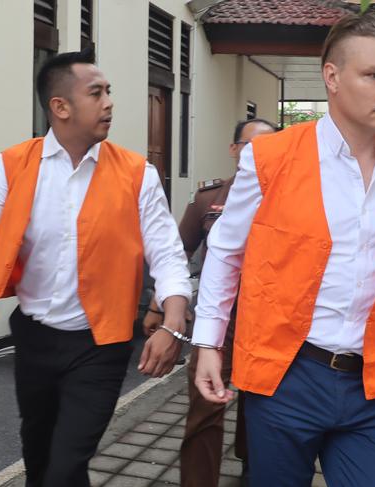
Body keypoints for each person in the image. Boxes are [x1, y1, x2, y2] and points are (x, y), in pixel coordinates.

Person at [192, 12, 375, 487]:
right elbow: (227, 252)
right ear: (332, 77)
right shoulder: (271, 157)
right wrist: (209, 342)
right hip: (285, 377)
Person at [0, 48, 191, 487]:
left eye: (109, 92)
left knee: (64, 469)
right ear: (60, 107)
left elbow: (169, 255)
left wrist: (172, 323)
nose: (109, 103)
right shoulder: (13, 167)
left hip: (101, 346)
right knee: (40, 462)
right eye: (96, 93)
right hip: (35, 339)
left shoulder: (137, 173)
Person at [143, 118, 276, 487]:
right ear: (235, 150)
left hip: (273, 325)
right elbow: (177, 254)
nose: (258, 155)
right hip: (219, 323)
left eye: (268, 147)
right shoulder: (210, 198)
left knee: (261, 408)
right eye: (250, 146)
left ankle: (253, 468)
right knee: (205, 410)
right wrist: (160, 307)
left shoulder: (292, 196)